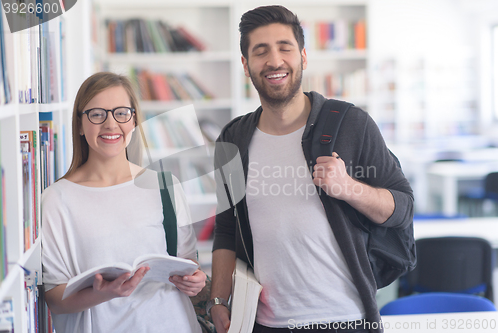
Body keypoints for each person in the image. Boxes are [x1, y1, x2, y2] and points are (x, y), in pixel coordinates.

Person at [209, 5, 413, 333]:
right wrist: (218, 300)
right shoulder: (232, 139)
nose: (274, 61)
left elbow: (402, 208)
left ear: (303, 56)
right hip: (264, 324)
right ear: (246, 66)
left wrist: (349, 188)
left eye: (284, 48)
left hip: (346, 320)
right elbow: (226, 229)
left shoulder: (351, 124)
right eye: (260, 52)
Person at [41, 72, 206, 333]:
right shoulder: (56, 199)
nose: (110, 124)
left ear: (134, 121)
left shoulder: (165, 186)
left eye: (121, 113)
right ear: (80, 125)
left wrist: (196, 281)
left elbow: (188, 263)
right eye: (97, 114)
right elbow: (54, 299)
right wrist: (105, 293)